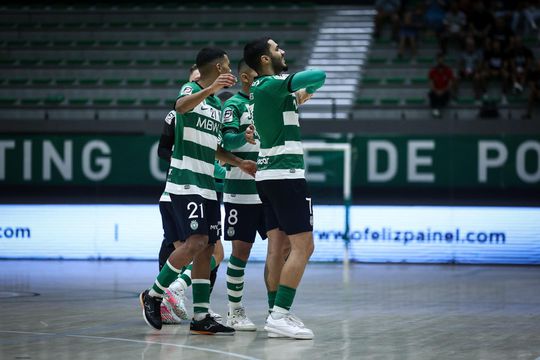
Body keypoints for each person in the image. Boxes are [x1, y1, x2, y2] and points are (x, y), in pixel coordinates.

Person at [140, 47, 257, 335]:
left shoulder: (217, 106)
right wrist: (210, 89)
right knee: (195, 242)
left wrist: (238, 161)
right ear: (218, 68)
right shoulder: (191, 89)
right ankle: (153, 295)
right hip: (185, 181)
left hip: (207, 185)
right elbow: (180, 106)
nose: (230, 70)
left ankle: (201, 316)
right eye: (227, 66)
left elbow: (215, 149)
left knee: (208, 249)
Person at [244, 37, 326, 339]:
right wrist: (296, 87)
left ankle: (274, 314)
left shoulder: (264, 91)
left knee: (279, 249)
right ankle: (280, 315)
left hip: (269, 176)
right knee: (305, 246)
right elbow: (318, 75)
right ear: (265, 60)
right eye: (277, 49)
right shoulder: (272, 84)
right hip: (286, 175)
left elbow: (309, 88)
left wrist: (299, 95)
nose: (283, 51)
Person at [155, 65, 225, 325]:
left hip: (202, 189)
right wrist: (186, 160)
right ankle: (163, 294)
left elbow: (216, 149)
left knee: (210, 252)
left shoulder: (213, 111)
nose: (198, 81)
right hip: (181, 189)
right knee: (200, 249)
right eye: (195, 79)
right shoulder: (178, 113)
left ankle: (194, 306)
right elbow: (163, 150)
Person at [219, 59, 261, 331]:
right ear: (245, 77)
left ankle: (277, 311)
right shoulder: (233, 105)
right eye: (258, 74)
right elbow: (226, 140)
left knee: (283, 250)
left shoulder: (268, 100)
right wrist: (242, 138)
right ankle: (235, 311)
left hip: (269, 187)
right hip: (240, 189)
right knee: (241, 252)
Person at [428, 52, 454, 118]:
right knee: (431, 94)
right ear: (437, 60)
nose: (440, 61)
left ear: (443, 60)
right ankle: (437, 111)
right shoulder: (432, 71)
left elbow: (450, 84)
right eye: (439, 59)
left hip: (445, 91)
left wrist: (442, 91)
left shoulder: (448, 70)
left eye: (441, 59)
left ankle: (437, 111)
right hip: (436, 91)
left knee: (445, 95)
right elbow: (431, 84)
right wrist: (436, 91)